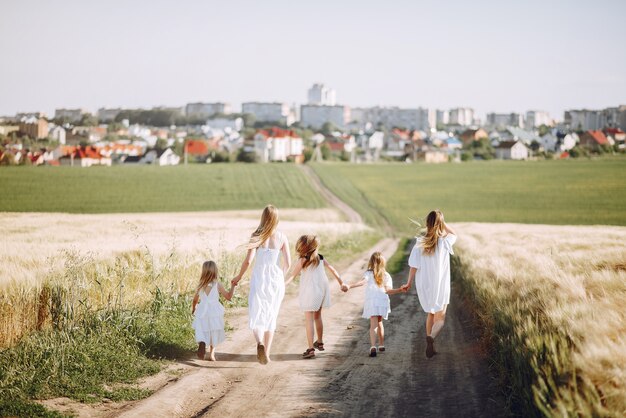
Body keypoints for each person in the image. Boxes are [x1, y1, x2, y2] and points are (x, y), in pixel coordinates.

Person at [231, 205, 291, 365]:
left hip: (260, 278)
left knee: (256, 312)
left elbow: (248, 261)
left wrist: (238, 277)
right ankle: (268, 354)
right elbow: (288, 263)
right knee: (271, 315)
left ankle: (259, 343)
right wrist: (280, 278)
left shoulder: (256, 236)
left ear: (263, 217)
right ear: (276, 219)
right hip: (275, 279)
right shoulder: (282, 237)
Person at [401, 210, 457, 358]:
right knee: (441, 319)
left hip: (425, 285)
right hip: (441, 285)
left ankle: (429, 343)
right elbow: (454, 234)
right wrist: (442, 222)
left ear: (427, 223)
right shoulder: (444, 242)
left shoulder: (420, 243)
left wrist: (408, 283)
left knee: (430, 313)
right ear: (440, 224)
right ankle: (431, 337)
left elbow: (413, 265)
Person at [285, 235, 349, 359]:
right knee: (318, 316)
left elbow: (292, 276)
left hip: (310, 291)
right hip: (322, 290)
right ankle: (319, 342)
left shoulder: (303, 260)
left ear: (302, 246)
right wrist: (342, 283)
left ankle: (310, 349)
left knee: (309, 319)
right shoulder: (320, 258)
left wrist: (282, 285)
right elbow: (332, 269)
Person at [345, 252, 406, 357]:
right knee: (380, 322)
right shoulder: (386, 275)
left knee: (373, 325)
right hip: (382, 301)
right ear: (383, 263)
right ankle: (381, 345)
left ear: (371, 262)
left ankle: (373, 346)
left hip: (372, 301)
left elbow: (362, 283)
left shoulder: (368, 273)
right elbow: (388, 291)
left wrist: (350, 286)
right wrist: (400, 289)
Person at [191, 260, 236, 361]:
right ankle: (211, 354)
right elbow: (228, 297)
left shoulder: (200, 285)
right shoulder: (217, 285)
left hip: (202, 310)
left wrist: (194, 309)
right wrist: (233, 286)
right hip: (214, 310)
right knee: (213, 330)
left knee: (202, 329)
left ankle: (202, 342)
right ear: (215, 271)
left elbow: (195, 300)